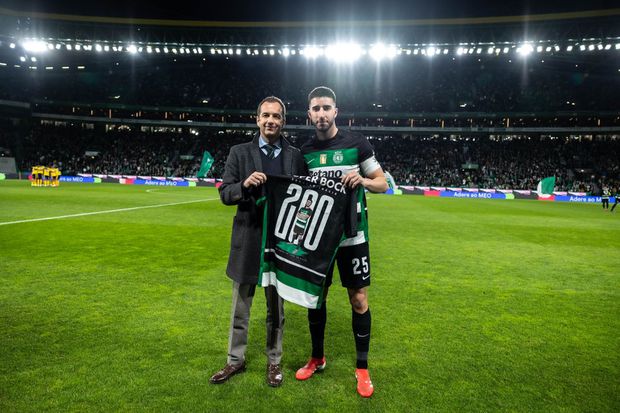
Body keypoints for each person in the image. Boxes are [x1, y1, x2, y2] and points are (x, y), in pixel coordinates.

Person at [296, 86, 388, 398]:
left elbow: (382, 183)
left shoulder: (356, 143)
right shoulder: (305, 151)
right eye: (316, 108)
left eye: (326, 108)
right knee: (316, 298)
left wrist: (362, 180)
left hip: (353, 236)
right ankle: (317, 357)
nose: (321, 113)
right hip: (318, 239)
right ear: (309, 114)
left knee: (358, 299)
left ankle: (362, 368)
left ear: (336, 111)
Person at [210, 96, 306, 387]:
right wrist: (243, 185)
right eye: (266, 115)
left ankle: (274, 361)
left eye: (276, 116)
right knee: (240, 309)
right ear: (257, 119)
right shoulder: (239, 153)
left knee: (276, 310)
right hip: (248, 240)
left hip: (280, 244)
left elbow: (304, 199)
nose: (270, 121)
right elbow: (225, 193)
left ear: (283, 121)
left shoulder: (295, 155)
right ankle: (234, 360)